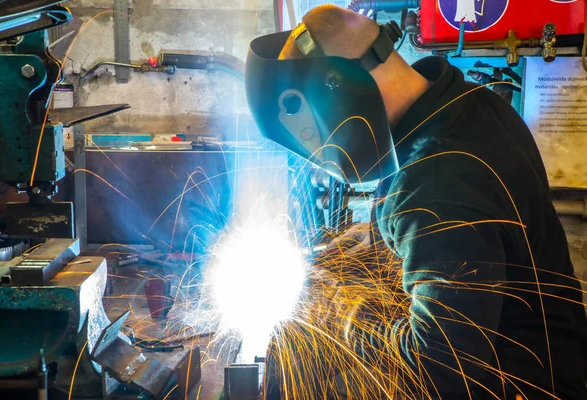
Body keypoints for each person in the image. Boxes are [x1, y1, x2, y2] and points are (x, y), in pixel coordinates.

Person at [245, 5, 587, 399]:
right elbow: (457, 238)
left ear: (335, 90)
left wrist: (343, 316)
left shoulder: (437, 178)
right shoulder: (463, 104)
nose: (323, 150)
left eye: (317, 134)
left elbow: (438, 370)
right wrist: (371, 241)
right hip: (548, 360)